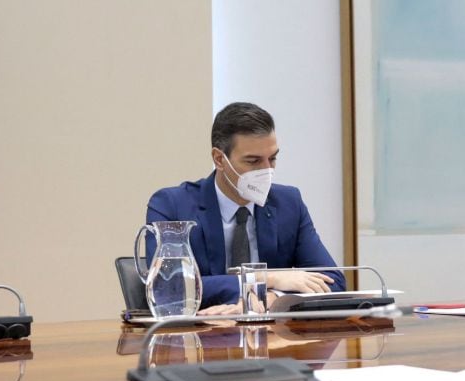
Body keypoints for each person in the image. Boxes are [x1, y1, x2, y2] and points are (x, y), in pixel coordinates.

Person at [145, 102, 345, 311]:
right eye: (253, 161)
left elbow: (334, 282)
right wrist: (264, 279)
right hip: (200, 338)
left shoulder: (288, 203)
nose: (267, 170)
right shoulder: (172, 205)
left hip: (272, 338)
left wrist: (272, 299)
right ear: (219, 159)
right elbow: (168, 287)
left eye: (272, 159)